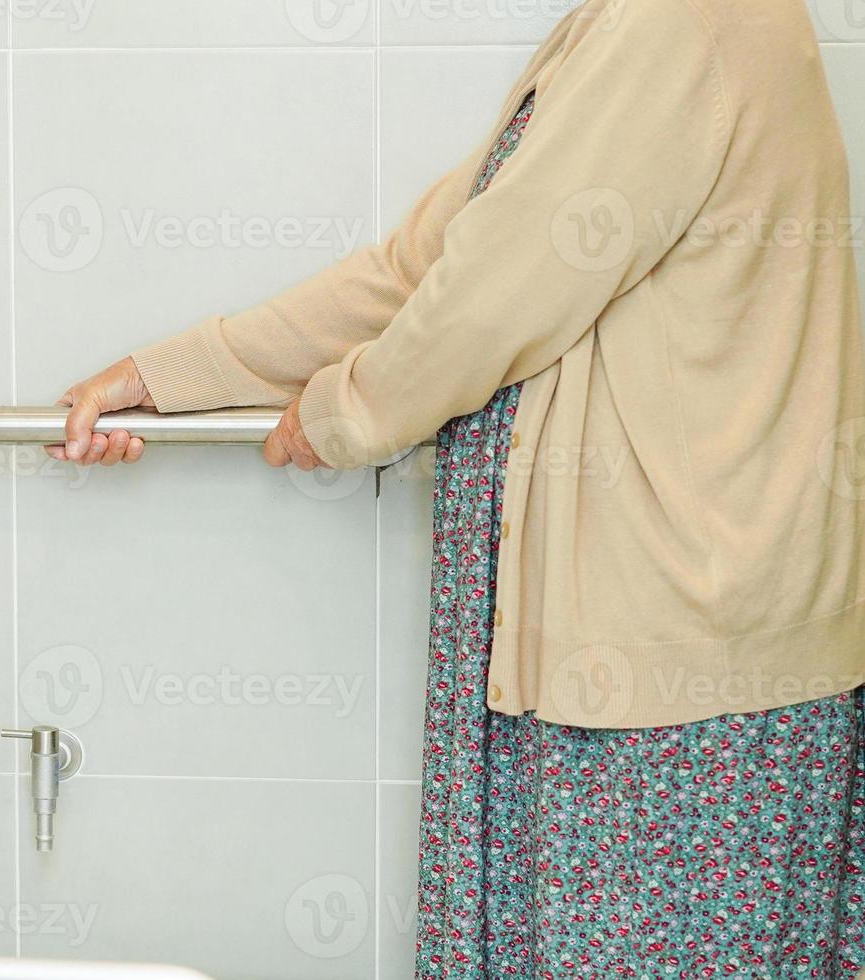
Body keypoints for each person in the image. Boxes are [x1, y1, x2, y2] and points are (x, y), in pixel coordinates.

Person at [49, 0, 865, 974]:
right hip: (648, 659)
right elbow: (433, 265)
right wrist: (169, 375)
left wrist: (343, 414)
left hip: (677, 669)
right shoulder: (624, 25)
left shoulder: (685, 21)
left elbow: (495, 294)